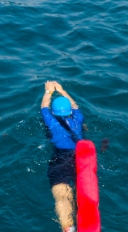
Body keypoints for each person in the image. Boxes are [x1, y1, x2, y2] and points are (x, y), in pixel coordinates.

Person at [40, 81, 84, 232]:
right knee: (82, 188)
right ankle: (85, 217)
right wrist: (62, 90)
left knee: (62, 195)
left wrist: (48, 92)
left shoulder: (52, 123)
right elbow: (75, 106)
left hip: (61, 158)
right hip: (80, 156)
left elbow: (44, 107)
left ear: (54, 113)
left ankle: (69, 227)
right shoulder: (78, 118)